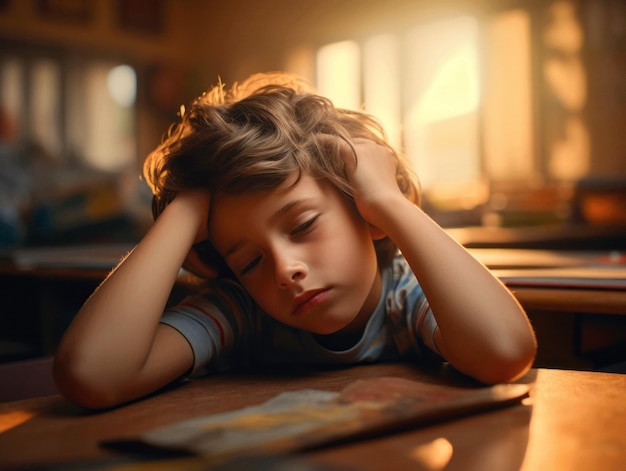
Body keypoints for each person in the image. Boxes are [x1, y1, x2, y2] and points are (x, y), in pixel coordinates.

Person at [53, 72, 537, 409]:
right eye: (249, 262)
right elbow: (92, 376)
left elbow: (505, 353)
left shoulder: (406, 295)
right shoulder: (243, 311)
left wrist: (388, 202)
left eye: (304, 225)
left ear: (361, 208)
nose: (285, 270)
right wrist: (184, 213)